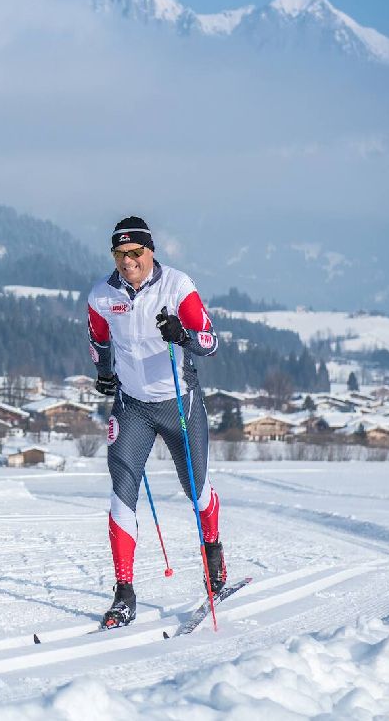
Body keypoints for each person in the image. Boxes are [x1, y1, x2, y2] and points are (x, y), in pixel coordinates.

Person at [86, 216, 224, 628]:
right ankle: (124, 594)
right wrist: (103, 372)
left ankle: (213, 555)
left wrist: (182, 335)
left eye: (135, 252)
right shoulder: (101, 295)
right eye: (119, 254)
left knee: (196, 489)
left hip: (179, 403)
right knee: (121, 492)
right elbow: (98, 338)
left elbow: (210, 342)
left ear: (150, 251)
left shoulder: (177, 286)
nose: (128, 261)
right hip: (132, 407)